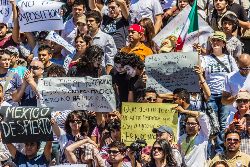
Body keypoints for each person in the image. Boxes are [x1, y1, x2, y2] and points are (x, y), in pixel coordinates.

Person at [201, 31, 238, 154]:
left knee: (223, 125)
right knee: (212, 125)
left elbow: (235, 75)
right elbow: (200, 74)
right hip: (210, 95)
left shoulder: (229, 58)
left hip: (225, 95)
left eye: (218, 40)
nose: (215, 43)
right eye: (213, 41)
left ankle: (220, 152)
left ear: (223, 43)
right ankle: (211, 152)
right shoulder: (205, 58)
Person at [86, 10, 117, 74]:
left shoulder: (107, 38)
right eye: (87, 21)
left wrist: (107, 76)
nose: (88, 23)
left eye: (91, 21)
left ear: (98, 23)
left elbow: (110, 59)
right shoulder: (84, 38)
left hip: (100, 73)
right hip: (85, 72)